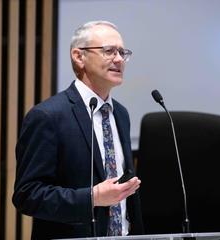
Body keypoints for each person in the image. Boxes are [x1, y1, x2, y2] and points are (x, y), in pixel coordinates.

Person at [12, 20, 144, 239]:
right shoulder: (48, 117)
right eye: (109, 51)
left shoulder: (120, 114)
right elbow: (28, 195)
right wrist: (92, 197)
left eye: (123, 52)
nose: (119, 59)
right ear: (78, 56)